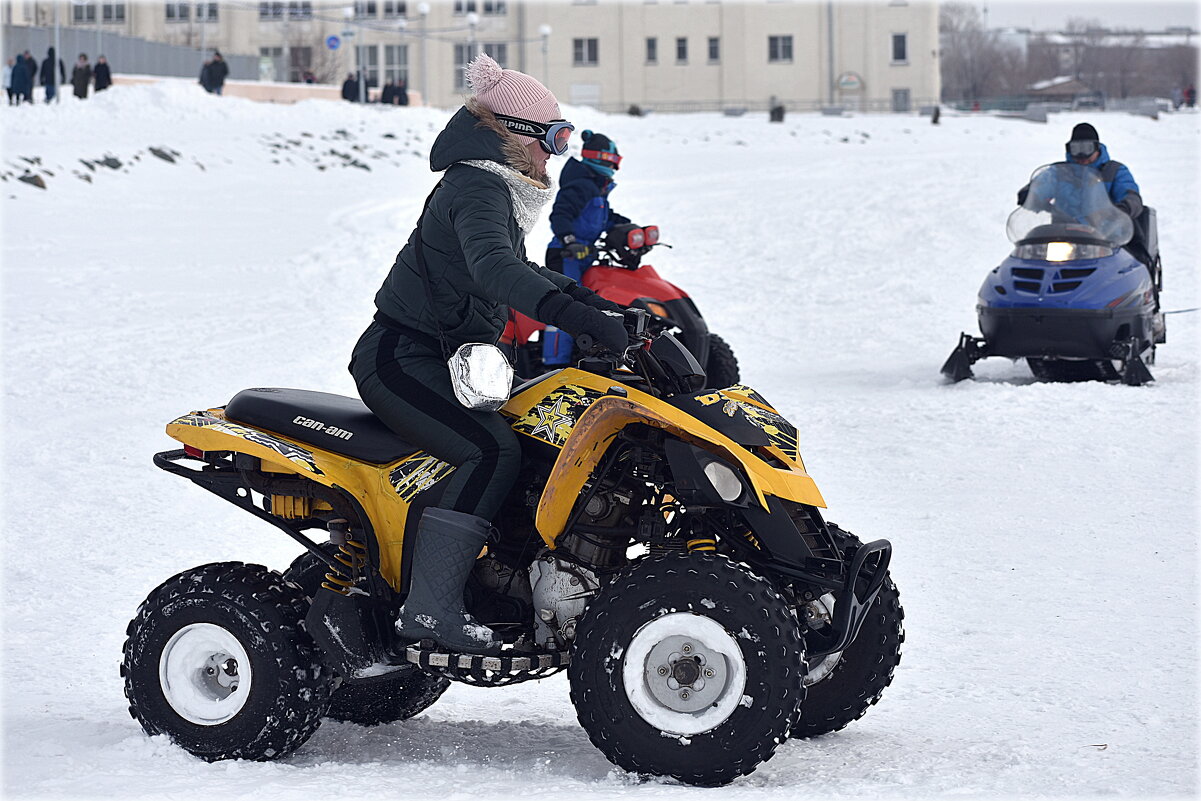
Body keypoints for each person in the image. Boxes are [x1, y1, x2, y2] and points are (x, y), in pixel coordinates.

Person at [347, 53, 626, 656]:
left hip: (444, 354)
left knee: (530, 436)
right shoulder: (476, 184)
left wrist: (600, 307)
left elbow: (518, 265)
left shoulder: (492, 185)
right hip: (399, 356)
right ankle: (429, 611)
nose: (555, 153)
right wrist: (579, 319)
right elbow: (493, 269)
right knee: (488, 450)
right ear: (517, 133)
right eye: (553, 138)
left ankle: (494, 579)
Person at [541, 129, 631, 366]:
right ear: (602, 159)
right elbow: (560, 214)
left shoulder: (597, 188)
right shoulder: (581, 185)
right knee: (563, 307)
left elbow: (605, 217)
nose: (615, 168)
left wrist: (629, 227)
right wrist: (569, 240)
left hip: (584, 254)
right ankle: (554, 362)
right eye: (614, 162)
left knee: (588, 303)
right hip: (565, 254)